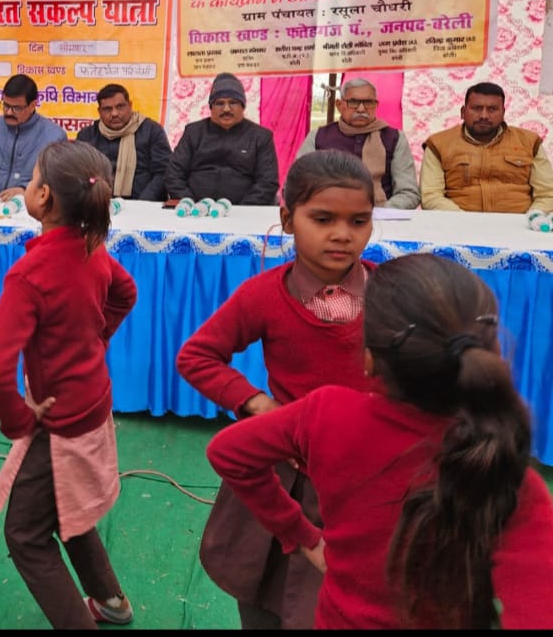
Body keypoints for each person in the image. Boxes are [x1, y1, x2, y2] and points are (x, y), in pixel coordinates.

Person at [206, 253, 553, 629]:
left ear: (369, 360)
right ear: (490, 353)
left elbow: (227, 452)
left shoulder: (326, 413)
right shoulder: (508, 477)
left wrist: (302, 535)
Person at [176, 149, 378, 629]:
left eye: (359, 221)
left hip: (365, 481)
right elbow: (197, 356)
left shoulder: (392, 291)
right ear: (288, 220)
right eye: (323, 219)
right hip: (285, 478)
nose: (342, 234)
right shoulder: (264, 294)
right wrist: (259, 405)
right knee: (263, 595)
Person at [0, 140, 138, 629]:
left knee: (25, 535)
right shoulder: (91, 248)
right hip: (91, 401)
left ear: (44, 196)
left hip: (58, 419)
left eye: (31, 180)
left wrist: (18, 420)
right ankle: (110, 601)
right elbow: (126, 292)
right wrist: (98, 339)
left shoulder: (29, 274)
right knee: (68, 507)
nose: (27, 187)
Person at [420, 81, 553, 212]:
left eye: (492, 109)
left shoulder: (529, 142)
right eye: (476, 108)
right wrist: (464, 221)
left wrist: (533, 218)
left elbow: (547, 193)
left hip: (521, 221)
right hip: (457, 222)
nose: (484, 116)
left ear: (503, 113)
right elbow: (431, 195)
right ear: (463, 112)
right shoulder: (439, 144)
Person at [295, 78, 420, 209]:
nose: (361, 109)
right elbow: (297, 184)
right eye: (353, 102)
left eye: (368, 102)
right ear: (339, 105)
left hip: (382, 215)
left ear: (376, 105)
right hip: (328, 213)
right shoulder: (318, 137)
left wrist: (380, 213)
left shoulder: (394, 138)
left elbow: (408, 192)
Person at [165, 72, 279, 205]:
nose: (226, 109)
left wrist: (243, 210)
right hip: (195, 210)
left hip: (243, 211)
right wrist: (191, 204)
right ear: (211, 107)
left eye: (233, 102)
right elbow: (173, 174)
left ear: (242, 106)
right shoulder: (193, 132)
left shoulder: (261, 137)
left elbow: (267, 182)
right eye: (219, 103)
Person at [0, 74, 67, 202]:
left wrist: (25, 190)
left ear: (33, 105)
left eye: (16, 108)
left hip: (31, 205)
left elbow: (55, 179)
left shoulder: (55, 136)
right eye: (6, 105)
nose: (9, 112)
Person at [75, 83, 171, 201]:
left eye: (120, 107)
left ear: (130, 105)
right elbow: (79, 176)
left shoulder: (151, 131)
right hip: (99, 203)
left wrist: (142, 203)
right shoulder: (87, 135)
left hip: (144, 203)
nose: (114, 114)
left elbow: (163, 172)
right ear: (99, 111)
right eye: (107, 109)